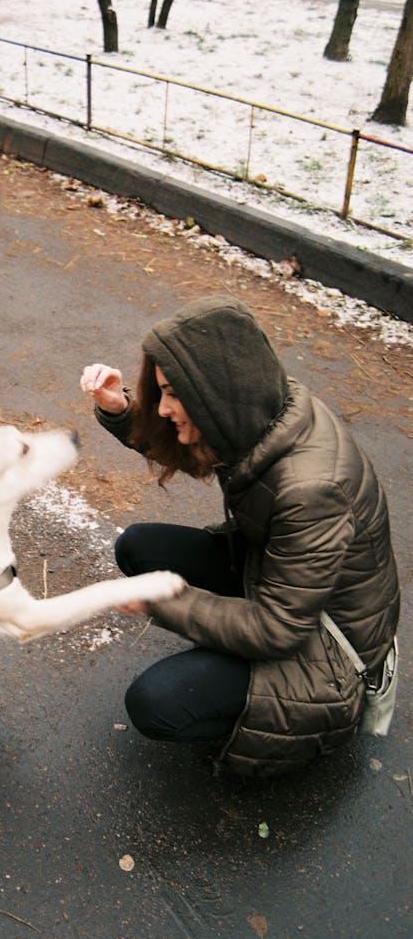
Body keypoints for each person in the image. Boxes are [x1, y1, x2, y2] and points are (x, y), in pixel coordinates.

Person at [80, 296, 400, 776]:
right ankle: (227, 660)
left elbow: (279, 628)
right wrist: (121, 407)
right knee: (139, 546)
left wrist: (163, 603)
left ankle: (312, 713)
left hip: (330, 648)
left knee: (155, 702)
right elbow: (190, 451)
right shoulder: (264, 409)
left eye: (172, 393)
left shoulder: (311, 489)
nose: (163, 408)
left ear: (212, 391)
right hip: (276, 576)